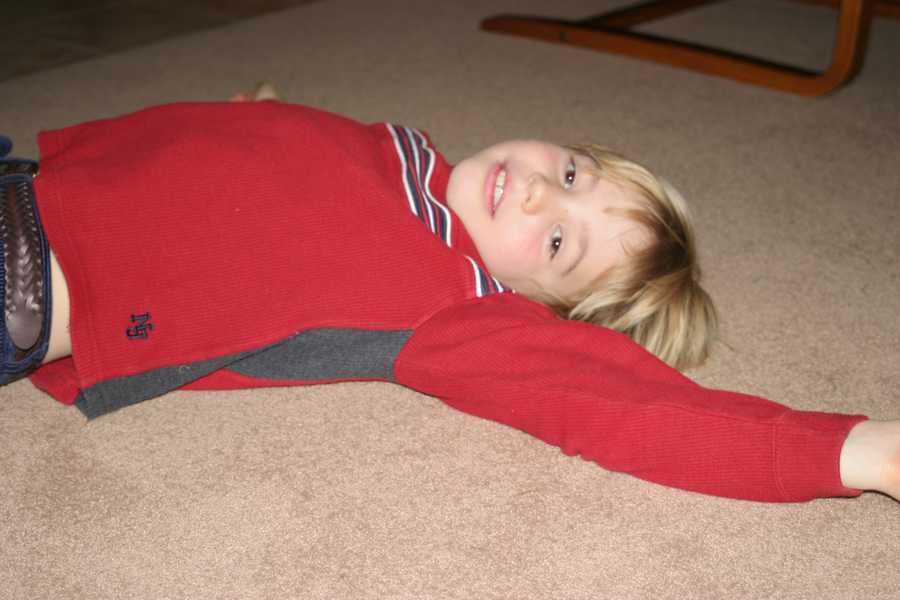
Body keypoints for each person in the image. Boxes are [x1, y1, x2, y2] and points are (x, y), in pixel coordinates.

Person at [0, 85, 897, 504]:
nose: (541, 193)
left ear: (536, 304)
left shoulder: (459, 307)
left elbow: (631, 412)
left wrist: (858, 454)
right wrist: (258, 121)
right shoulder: (408, 153)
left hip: (28, 278)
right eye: (574, 174)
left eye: (558, 243)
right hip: (27, 177)